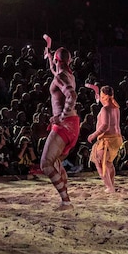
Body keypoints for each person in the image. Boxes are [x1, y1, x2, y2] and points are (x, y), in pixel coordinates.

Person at [39, 37, 79, 209]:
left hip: (65, 124)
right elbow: (55, 70)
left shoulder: (60, 77)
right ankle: (65, 198)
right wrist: (49, 54)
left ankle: (66, 200)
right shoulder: (67, 74)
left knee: (46, 164)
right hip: (72, 123)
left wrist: (61, 117)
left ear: (58, 61)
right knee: (55, 162)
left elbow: (72, 96)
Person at [86, 85, 122, 193]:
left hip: (108, 139)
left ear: (104, 96)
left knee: (101, 162)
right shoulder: (116, 107)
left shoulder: (105, 109)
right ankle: (111, 185)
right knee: (109, 163)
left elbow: (105, 125)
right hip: (116, 139)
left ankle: (109, 186)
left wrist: (93, 135)